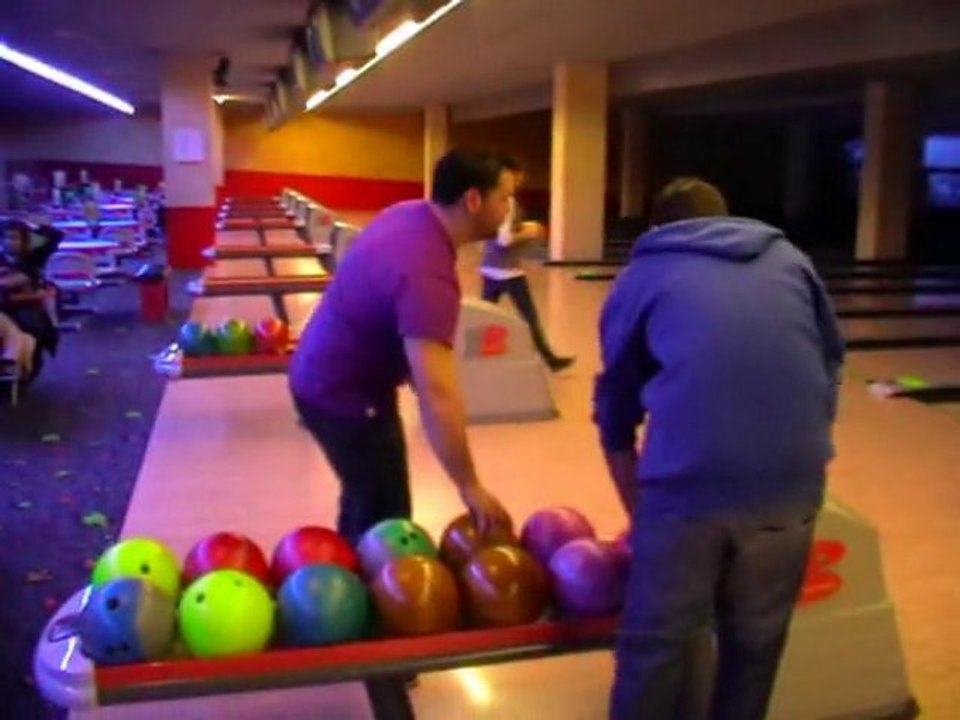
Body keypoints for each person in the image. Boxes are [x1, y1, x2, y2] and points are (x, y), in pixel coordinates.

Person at [593, 178, 846, 720]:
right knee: (755, 648)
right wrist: (802, 447)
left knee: (655, 648)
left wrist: (641, 510)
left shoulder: (644, 274)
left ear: (660, 228)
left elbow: (616, 403)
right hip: (791, 487)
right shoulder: (793, 262)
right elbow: (831, 362)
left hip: (688, 489)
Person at [289, 149, 516, 548]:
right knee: (385, 515)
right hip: (341, 392)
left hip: (323, 371)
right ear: (473, 200)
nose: (509, 208)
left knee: (366, 493)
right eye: (504, 197)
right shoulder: (427, 276)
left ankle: (352, 562)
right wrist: (469, 485)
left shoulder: (409, 213)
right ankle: (364, 595)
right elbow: (438, 394)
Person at [479, 170, 574, 372]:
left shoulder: (489, 200)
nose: (520, 181)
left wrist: (523, 226)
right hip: (509, 272)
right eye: (517, 177)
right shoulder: (509, 202)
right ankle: (550, 361)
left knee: (484, 317)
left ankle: (477, 361)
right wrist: (532, 232)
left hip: (490, 268)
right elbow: (505, 239)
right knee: (529, 318)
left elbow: (495, 233)